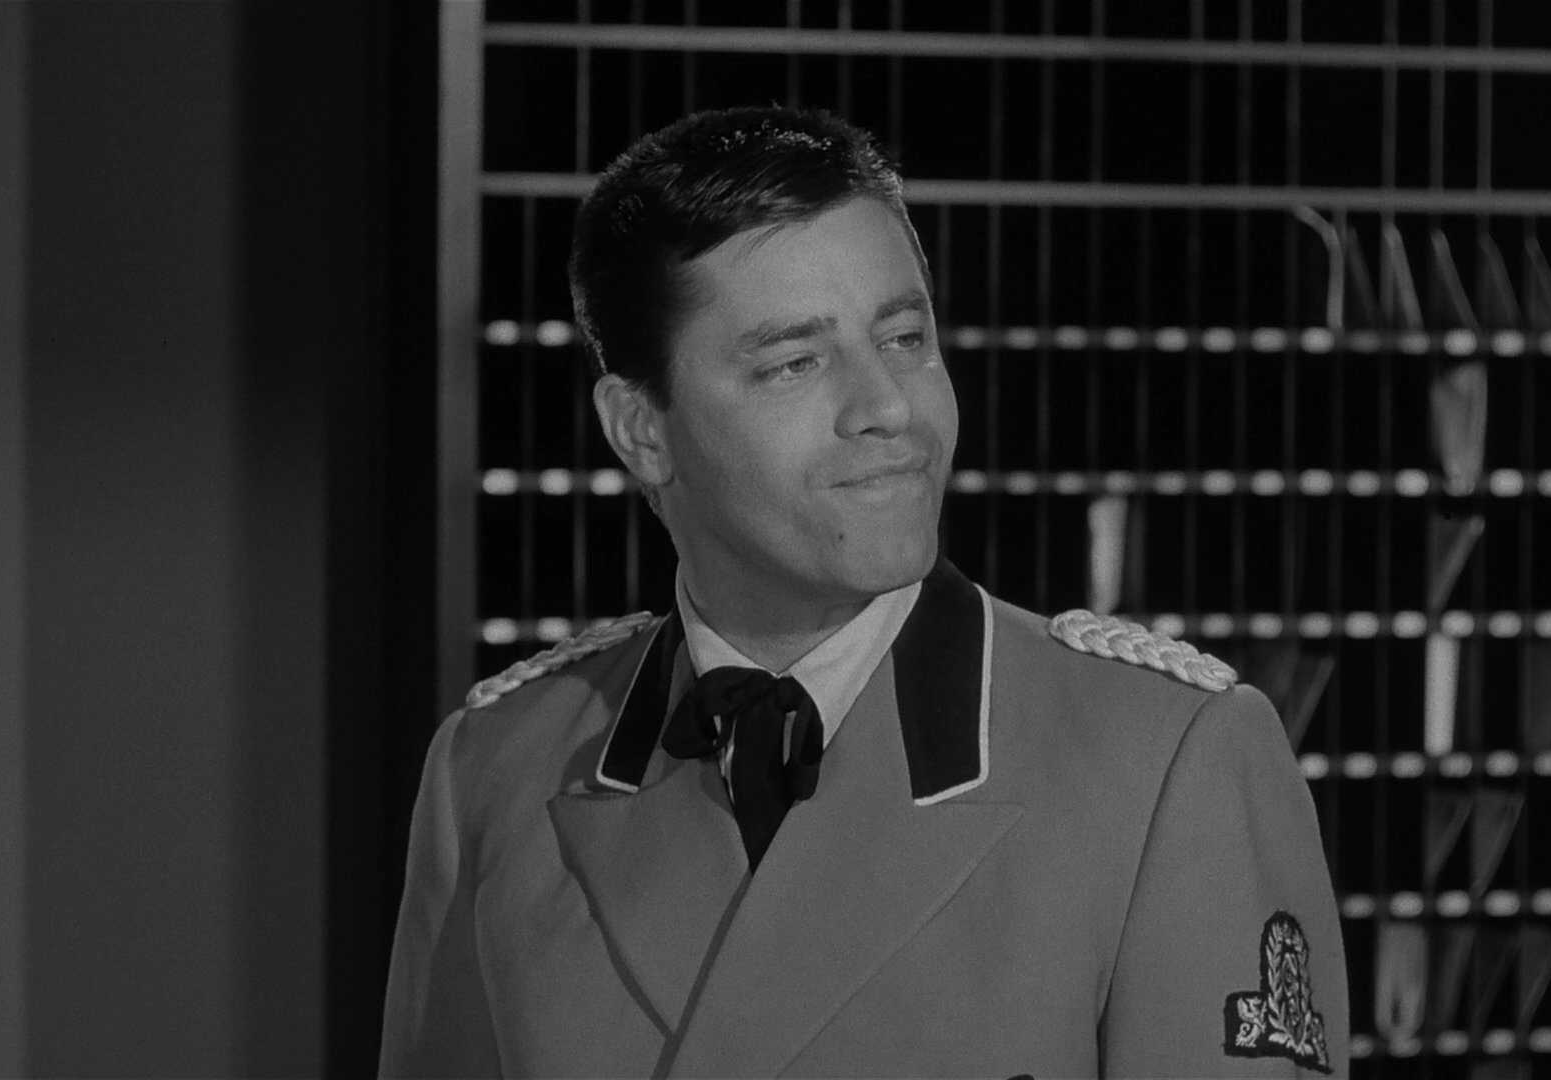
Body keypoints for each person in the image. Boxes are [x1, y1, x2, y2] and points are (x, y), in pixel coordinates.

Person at [380, 105, 1348, 1079]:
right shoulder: (493, 772)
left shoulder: (1166, 762)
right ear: (642, 431)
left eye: (905, 337)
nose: (887, 405)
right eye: (795, 364)